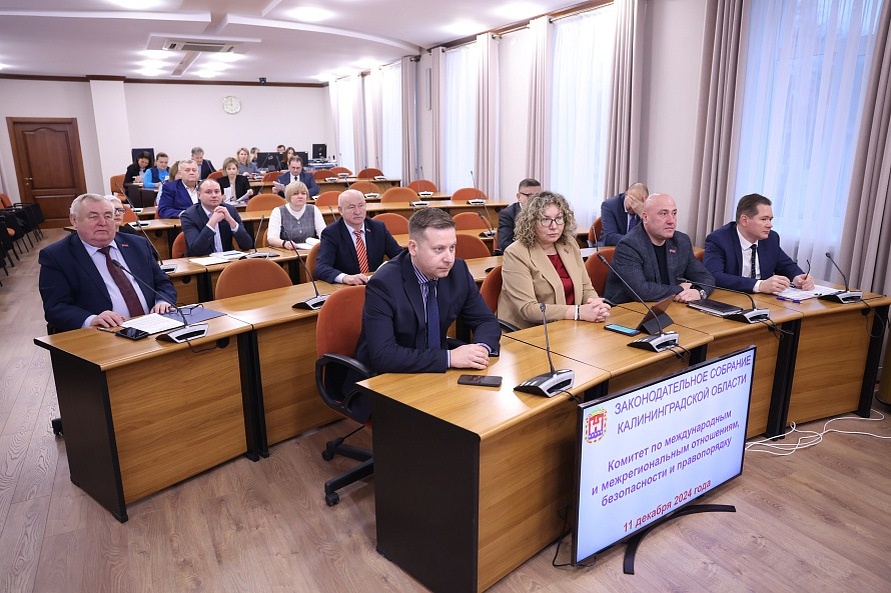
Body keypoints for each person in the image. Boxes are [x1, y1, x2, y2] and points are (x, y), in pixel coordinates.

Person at [355, 207, 501, 381]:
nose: (449, 258)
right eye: (438, 249)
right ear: (413, 248)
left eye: (452, 247)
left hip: (437, 370)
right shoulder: (384, 284)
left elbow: (485, 320)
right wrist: (449, 358)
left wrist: (481, 349)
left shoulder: (458, 270)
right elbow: (384, 355)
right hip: (389, 377)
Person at [38, 193, 175, 332]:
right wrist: (91, 319)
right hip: (102, 334)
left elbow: (163, 282)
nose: (103, 222)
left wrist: (163, 301)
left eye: (108, 216)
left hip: (153, 325)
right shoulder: (57, 256)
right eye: (93, 217)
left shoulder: (137, 244)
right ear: (74, 220)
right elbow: (56, 307)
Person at [499, 192, 611, 329]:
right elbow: (528, 309)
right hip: (531, 331)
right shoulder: (516, 253)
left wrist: (595, 305)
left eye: (559, 218)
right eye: (545, 220)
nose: (554, 226)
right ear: (531, 222)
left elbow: (586, 288)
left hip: (571, 325)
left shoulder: (569, 244)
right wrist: (578, 312)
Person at [604, 193, 715, 304]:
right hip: (629, 309)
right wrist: (680, 289)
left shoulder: (681, 241)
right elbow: (641, 291)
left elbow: (705, 277)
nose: (671, 221)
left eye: (674, 213)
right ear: (645, 217)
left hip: (668, 306)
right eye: (663, 214)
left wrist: (699, 292)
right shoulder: (629, 245)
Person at [704, 193, 814, 294]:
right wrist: (759, 285)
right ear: (744, 220)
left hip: (764, 301)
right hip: (731, 298)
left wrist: (798, 277)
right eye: (764, 219)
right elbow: (713, 276)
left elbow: (786, 265)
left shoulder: (771, 238)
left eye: (770, 219)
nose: (770, 225)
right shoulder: (719, 239)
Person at [314, 189, 402, 285]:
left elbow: (399, 255)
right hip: (347, 288)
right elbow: (321, 268)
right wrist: (345, 278)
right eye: (351, 207)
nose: (357, 212)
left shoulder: (378, 228)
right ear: (340, 210)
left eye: (361, 206)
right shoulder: (331, 233)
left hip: (375, 284)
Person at [180, 178, 253, 256]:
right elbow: (196, 250)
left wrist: (231, 221)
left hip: (227, 259)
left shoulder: (230, 210)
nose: (214, 195)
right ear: (199, 195)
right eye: (208, 192)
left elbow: (247, 245)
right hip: (202, 260)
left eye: (217, 192)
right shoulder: (189, 216)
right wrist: (212, 222)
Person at [267, 181, 325, 249]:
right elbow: (271, 238)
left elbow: (323, 233)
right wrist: (284, 243)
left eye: (303, 193)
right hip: (287, 251)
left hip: (310, 251)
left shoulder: (313, 209)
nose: (300, 196)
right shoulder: (278, 211)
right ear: (289, 196)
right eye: (295, 194)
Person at [497, 178, 541, 252]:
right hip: (521, 253)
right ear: (519, 196)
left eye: (538, 196)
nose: (535, 200)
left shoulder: (546, 211)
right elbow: (505, 243)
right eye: (530, 196)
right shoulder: (507, 214)